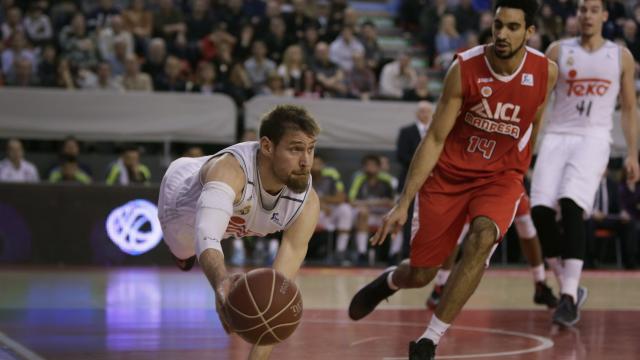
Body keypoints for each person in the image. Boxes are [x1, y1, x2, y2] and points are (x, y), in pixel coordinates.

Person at [348, 1, 557, 358]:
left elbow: (534, 123)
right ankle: (390, 281)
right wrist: (403, 202)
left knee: (482, 239)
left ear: (529, 32)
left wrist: (520, 169)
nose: (502, 34)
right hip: (448, 176)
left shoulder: (545, 72)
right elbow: (433, 138)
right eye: (498, 25)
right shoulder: (464, 68)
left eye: (512, 27)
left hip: (500, 177)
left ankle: (430, 338)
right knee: (422, 274)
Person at [157, 105, 320, 360]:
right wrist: (221, 281)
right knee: (187, 249)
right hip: (180, 210)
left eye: (310, 149)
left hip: (235, 215)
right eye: (295, 149)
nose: (306, 161)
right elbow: (207, 233)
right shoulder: (230, 171)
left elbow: (278, 293)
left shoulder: (307, 203)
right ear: (267, 146)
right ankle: (183, 257)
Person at [530, 0, 639, 327]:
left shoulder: (620, 55)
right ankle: (569, 284)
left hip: (594, 137)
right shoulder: (557, 51)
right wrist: (528, 145)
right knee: (539, 210)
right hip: (557, 135)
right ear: (576, 15)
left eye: (594, 9)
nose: (587, 14)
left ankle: (567, 296)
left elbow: (630, 109)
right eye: (582, 9)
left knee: (571, 203)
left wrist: (633, 153)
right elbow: (539, 103)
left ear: (605, 16)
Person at [425, 193, 559, 310]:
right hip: (479, 178)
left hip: (505, 178)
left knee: (525, 221)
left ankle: (540, 283)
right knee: (460, 228)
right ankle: (440, 285)